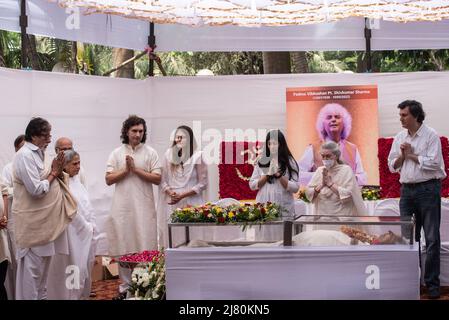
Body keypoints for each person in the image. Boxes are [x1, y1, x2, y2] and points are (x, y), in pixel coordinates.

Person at [12, 117, 77, 300]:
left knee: (42, 280)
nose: (49, 139)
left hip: (46, 225)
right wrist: (54, 173)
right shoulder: (25, 155)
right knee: (31, 278)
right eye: (45, 135)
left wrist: (57, 172)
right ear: (33, 136)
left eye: (49, 135)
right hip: (33, 226)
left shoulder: (41, 153)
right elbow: (36, 190)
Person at [387, 100, 446, 299]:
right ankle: (412, 281)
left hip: (428, 189)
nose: (401, 118)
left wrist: (411, 155)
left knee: (431, 239)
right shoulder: (399, 137)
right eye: (400, 115)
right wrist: (403, 157)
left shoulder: (430, 135)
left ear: (416, 116)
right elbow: (391, 166)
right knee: (409, 239)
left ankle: (432, 285)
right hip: (407, 192)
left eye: (404, 115)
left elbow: (435, 164)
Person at [105, 115, 161, 299]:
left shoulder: (150, 152)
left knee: (143, 244)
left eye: (141, 131)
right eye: (134, 131)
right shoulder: (116, 153)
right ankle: (125, 288)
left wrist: (136, 170)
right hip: (122, 208)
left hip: (143, 208)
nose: (137, 134)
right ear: (126, 132)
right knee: (124, 245)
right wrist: (126, 170)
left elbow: (158, 178)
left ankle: (143, 286)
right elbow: (108, 179)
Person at [47, 150, 99, 299]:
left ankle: (81, 295)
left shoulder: (78, 183)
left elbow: (87, 207)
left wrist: (92, 227)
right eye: (74, 164)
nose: (78, 166)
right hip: (71, 235)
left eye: (79, 163)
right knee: (72, 270)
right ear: (64, 165)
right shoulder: (62, 185)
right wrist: (85, 227)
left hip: (85, 235)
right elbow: (71, 211)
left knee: (83, 269)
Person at [157, 125, 208, 249]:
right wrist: (170, 192)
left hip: (192, 201)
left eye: (183, 137)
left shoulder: (197, 156)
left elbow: (202, 183)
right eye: (177, 137)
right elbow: (162, 181)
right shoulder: (168, 155)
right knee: (173, 236)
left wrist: (183, 195)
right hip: (172, 202)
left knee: (193, 237)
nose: (179, 140)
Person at [298, 103, 367, 186]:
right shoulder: (313, 148)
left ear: (344, 123)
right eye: (329, 117)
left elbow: (362, 178)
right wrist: (321, 175)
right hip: (322, 197)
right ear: (323, 124)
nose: (333, 120)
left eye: (337, 117)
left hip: (346, 196)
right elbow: (298, 175)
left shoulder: (352, 148)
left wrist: (349, 177)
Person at [249, 130, 300, 241]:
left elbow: (295, 188)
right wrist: (267, 175)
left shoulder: (290, 162)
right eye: (269, 143)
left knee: (282, 238)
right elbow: (252, 185)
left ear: (281, 144)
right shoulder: (261, 161)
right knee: (263, 238)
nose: (272, 146)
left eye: (275, 143)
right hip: (264, 205)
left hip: (283, 206)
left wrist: (278, 175)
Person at [305, 141, 366, 230]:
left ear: (336, 156)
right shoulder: (319, 170)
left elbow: (348, 195)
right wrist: (321, 185)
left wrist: (330, 184)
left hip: (341, 219)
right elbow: (309, 193)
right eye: (323, 156)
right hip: (322, 219)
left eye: (328, 156)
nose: (325, 159)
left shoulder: (346, 170)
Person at [1, 134, 25, 300]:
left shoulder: (35, 165)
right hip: (14, 221)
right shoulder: (8, 168)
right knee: (15, 261)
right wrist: (24, 189)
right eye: (21, 147)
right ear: (16, 149)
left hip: (31, 220)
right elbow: (5, 191)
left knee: (29, 261)